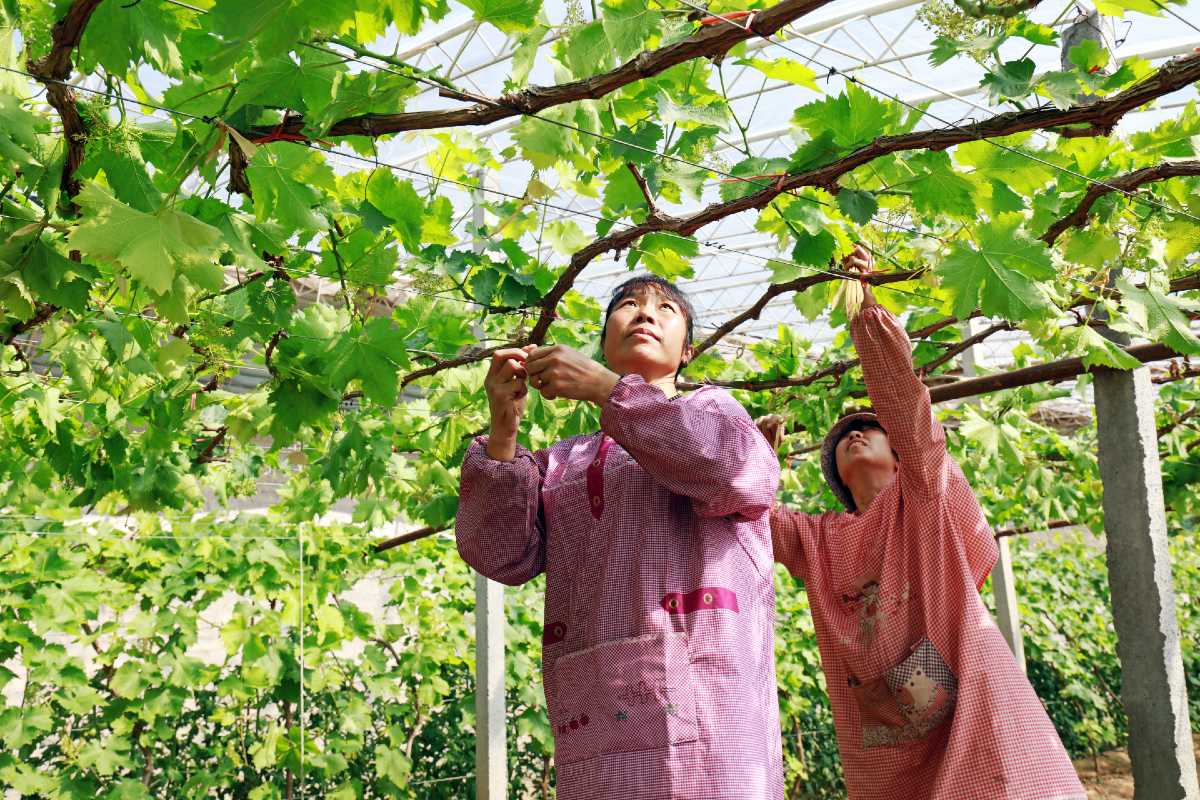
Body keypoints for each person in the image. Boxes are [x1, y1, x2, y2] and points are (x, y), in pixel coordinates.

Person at [764, 245, 1085, 800]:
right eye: (840, 442)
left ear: (900, 453)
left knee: (1003, 780)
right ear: (836, 478)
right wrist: (751, 466)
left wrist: (864, 313)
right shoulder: (818, 539)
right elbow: (752, 521)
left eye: (868, 429)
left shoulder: (923, 497)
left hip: (975, 703)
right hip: (892, 738)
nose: (853, 436)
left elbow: (910, 413)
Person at [456, 275, 786, 799]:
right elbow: (502, 555)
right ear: (603, 345)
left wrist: (610, 391)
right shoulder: (565, 460)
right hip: (600, 709)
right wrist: (503, 429)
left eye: (666, 309)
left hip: (707, 703)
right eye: (628, 305)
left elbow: (739, 476)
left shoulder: (716, 413)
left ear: (688, 351)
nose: (645, 313)